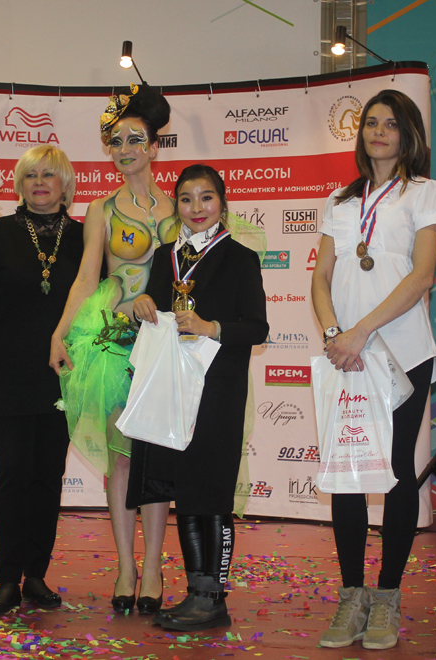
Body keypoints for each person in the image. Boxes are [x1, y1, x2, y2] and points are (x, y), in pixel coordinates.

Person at [310, 89, 436, 651]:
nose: (379, 132)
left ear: (408, 133)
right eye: (371, 123)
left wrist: (360, 332)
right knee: (347, 473)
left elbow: (422, 276)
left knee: (394, 472)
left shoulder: (425, 192)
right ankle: (352, 596)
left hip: (401, 354)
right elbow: (320, 278)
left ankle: (387, 596)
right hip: (345, 355)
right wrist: (333, 336)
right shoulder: (340, 200)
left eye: (391, 123)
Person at [50, 84, 177, 614]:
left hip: (166, 344)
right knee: (121, 461)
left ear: (154, 147)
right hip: (114, 344)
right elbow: (85, 278)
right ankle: (126, 567)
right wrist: (60, 332)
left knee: (155, 459)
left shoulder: (181, 206)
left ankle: (154, 568)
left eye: (135, 140)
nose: (124, 150)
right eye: (116, 141)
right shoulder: (101, 209)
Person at [128, 164, 268, 631]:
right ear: (177, 206)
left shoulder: (240, 258)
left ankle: (214, 598)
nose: (197, 208)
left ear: (222, 204)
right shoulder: (165, 256)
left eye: (206, 198)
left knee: (213, 493)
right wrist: (142, 307)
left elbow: (258, 328)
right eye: (186, 199)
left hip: (218, 392)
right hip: (172, 390)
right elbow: (153, 313)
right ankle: (196, 592)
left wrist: (212, 327)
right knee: (185, 492)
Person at [0, 145, 83, 615]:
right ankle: (8, 579)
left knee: (49, 476)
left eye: (49, 174)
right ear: (19, 183)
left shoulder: (85, 237)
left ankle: (36, 576)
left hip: (65, 376)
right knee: (12, 474)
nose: (40, 183)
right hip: (7, 373)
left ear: (66, 183)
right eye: (31, 175)